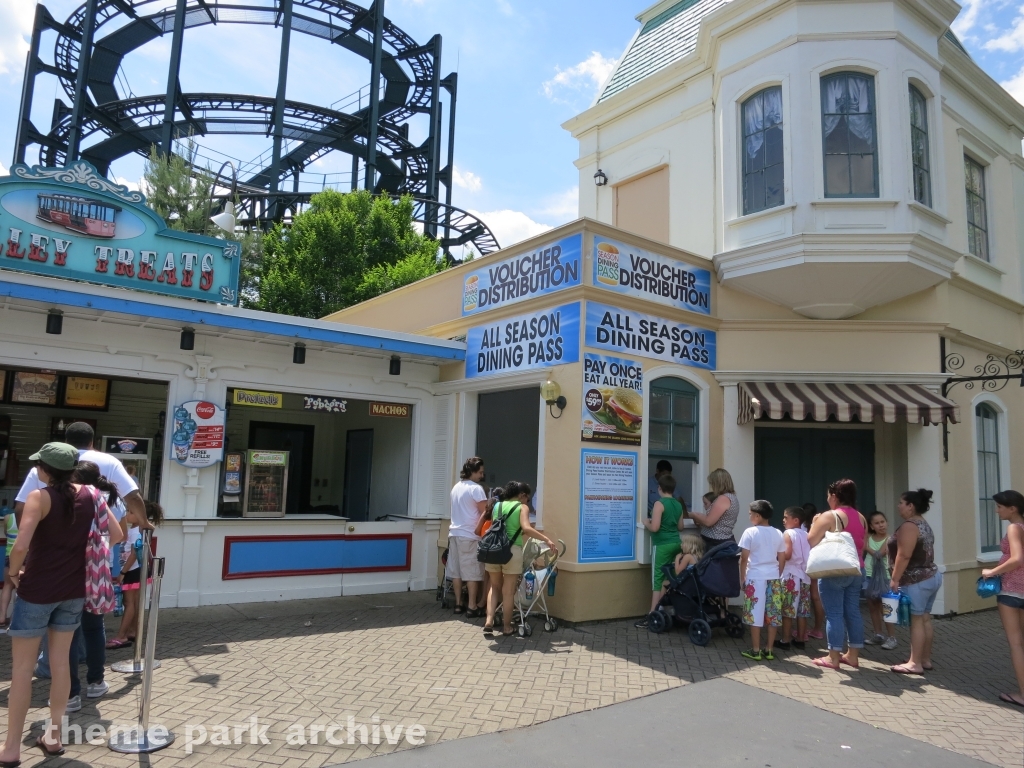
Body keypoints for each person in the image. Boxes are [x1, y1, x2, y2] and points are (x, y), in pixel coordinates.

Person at [0, 443, 124, 765]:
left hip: (37, 590)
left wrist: (12, 574)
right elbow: (116, 534)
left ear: (44, 469)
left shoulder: (39, 497)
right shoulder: (93, 495)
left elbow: (20, 545)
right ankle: (53, 737)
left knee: (22, 671)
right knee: (61, 666)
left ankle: (11, 749)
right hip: (74, 590)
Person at [63, 462, 124, 709]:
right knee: (94, 628)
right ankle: (96, 681)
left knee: (67, 633)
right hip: (97, 574)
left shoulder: (68, 498)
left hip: (68, 573)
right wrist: (98, 551)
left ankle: (70, 693)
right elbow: (118, 534)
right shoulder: (104, 499)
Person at [483, 481, 557, 636]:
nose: (527, 502)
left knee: (494, 587)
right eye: (528, 499)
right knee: (508, 591)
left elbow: (499, 527)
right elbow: (526, 528)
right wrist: (546, 539)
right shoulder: (522, 507)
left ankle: (489, 620)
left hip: (493, 550)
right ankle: (507, 627)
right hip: (512, 551)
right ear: (522, 495)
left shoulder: (498, 506)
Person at [808, 479, 867, 671]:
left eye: (828, 495)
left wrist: (814, 523)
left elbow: (811, 540)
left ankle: (833, 657)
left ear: (834, 496)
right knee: (853, 611)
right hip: (857, 569)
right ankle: (853, 655)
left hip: (835, 571)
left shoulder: (830, 516)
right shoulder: (861, 517)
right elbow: (863, 545)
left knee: (834, 614)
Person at [887, 488, 941, 675]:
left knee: (916, 621)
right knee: (925, 618)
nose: (898, 506)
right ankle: (924, 659)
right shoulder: (923, 523)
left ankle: (914, 663)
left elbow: (904, 555)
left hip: (915, 580)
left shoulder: (909, 526)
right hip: (931, 576)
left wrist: (895, 579)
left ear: (910, 506)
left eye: (901, 503)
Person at [981, 490, 1024, 708]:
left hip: (1011, 590)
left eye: (999, 507)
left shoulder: (1014, 528)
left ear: (1012, 508)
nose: (997, 511)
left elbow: (1017, 559)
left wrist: (992, 571)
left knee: (1016, 644)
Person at [109, 500, 164, 649]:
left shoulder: (135, 532)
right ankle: (133, 631)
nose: (127, 514)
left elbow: (134, 554)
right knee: (135, 602)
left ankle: (121, 636)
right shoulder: (137, 529)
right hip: (135, 570)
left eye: (131, 512)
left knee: (129, 604)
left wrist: (122, 572)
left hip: (132, 571)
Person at [738, 500, 786, 661]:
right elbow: (782, 558)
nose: (749, 517)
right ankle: (769, 649)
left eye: (750, 514)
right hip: (773, 577)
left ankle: (756, 650)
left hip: (755, 576)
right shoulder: (778, 533)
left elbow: (744, 558)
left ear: (757, 516)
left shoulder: (750, 532)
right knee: (773, 614)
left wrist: (742, 578)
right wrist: (778, 573)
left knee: (755, 613)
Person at [638, 474, 686, 627]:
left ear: (659, 488)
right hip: (676, 543)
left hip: (662, 545)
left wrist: (646, 522)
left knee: (658, 578)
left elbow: (655, 527)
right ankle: (667, 609)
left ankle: (653, 613)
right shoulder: (678, 504)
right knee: (671, 577)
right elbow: (681, 527)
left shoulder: (659, 504)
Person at [447, 457, 488, 618]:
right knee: (472, 572)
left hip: (454, 533)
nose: (482, 475)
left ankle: (458, 604)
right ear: (472, 471)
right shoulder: (476, 489)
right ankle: (472, 606)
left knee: (456, 572)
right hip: (470, 535)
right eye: (480, 472)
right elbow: (485, 511)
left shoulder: (456, 487)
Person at [777, 506, 811, 651]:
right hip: (805, 576)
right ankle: (800, 639)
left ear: (796, 520)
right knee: (802, 610)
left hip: (791, 575)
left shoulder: (788, 533)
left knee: (788, 609)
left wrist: (777, 554)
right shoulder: (806, 534)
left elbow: (788, 554)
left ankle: (785, 640)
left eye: (786, 517)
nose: (783, 520)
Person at [864, 511, 897, 650]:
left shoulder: (890, 539)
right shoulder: (869, 537)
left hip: (885, 578)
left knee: (886, 608)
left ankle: (892, 637)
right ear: (871, 526)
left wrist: (866, 546)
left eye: (882, 522)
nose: (881, 525)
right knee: (873, 606)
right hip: (869, 575)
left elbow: (880, 553)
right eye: (877, 523)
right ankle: (878, 634)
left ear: (887, 522)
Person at [689, 468, 740, 550]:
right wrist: (700, 518)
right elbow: (719, 521)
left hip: (716, 542)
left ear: (718, 483)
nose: (712, 486)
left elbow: (709, 522)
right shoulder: (731, 497)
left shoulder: (723, 498)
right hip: (722, 540)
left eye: (712, 483)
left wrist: (694, 515)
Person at [802, 502, 825, 640]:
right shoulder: (821, 527)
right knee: (816, 597)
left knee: (803, 596)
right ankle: (817, 629)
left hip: (804, 564)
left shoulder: (801, 527)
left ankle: (802, 631)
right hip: (818, 562)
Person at [1, 505, 17, 628]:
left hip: (10, 555)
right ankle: (14, 619)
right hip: (27, 557)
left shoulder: (8, 517)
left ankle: (1, 617)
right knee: (21, 589)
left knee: (7, 585)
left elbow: (6, 533)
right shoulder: (33, 518)